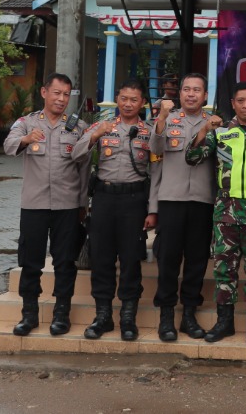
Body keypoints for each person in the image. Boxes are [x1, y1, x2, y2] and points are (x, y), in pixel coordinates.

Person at [185, 82, 246, 344]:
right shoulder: (221, 133)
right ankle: (224, 323)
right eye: (241, 101)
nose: (245, 106)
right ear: (233, 103)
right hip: (225, 212)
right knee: (224, 270)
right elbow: (192, 157)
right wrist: (205, 129)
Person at [3, 73, 89, 337]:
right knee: (31, 262)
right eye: (56, 93)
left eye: (66, 95)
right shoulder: (26, 123)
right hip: (35, 205)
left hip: (67, 205)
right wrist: (26, 139)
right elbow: (8, 145)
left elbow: (84, 169)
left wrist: (82, 204)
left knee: (65, 262)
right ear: (44, 92)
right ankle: (29, 314)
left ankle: (61, 314)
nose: (61, 99)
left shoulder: (78, 127)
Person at [72, 78, 153, 341]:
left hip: (134, 200)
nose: (128, 104)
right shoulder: (101, 126)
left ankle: (128, 318)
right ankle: (103, 316)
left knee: (131, 259)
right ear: (117, 100)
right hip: (104, 199)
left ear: (143, 103)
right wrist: (95, 135)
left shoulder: (150, 131)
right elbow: (76, 154)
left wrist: (153, 209)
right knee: (102, 259)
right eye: (123, 99)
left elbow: (159, 171)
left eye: (134, 100)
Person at [148, 72, 221, 342]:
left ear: (205, 96)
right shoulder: (168, 120)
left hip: (203, 201)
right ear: (179, 94)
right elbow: (155, 149)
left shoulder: (215, 124)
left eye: (196, 90)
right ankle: (166, 315)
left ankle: (189, 314)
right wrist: (162, 117)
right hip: (171, 200)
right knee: (168, 259)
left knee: (197, 260)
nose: (191, 94)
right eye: (186, 89)